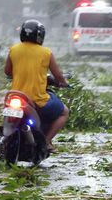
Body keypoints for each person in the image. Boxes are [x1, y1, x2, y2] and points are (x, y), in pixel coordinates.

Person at [4, 20, 69, 151]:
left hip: (15, 96)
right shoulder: (46, 53)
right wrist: (64, 82)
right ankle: (46, 141)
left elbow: (7, 71)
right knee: (64, 112)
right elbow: (58, 76)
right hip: (37, 100)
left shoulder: (13, 50)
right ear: (40, 36)